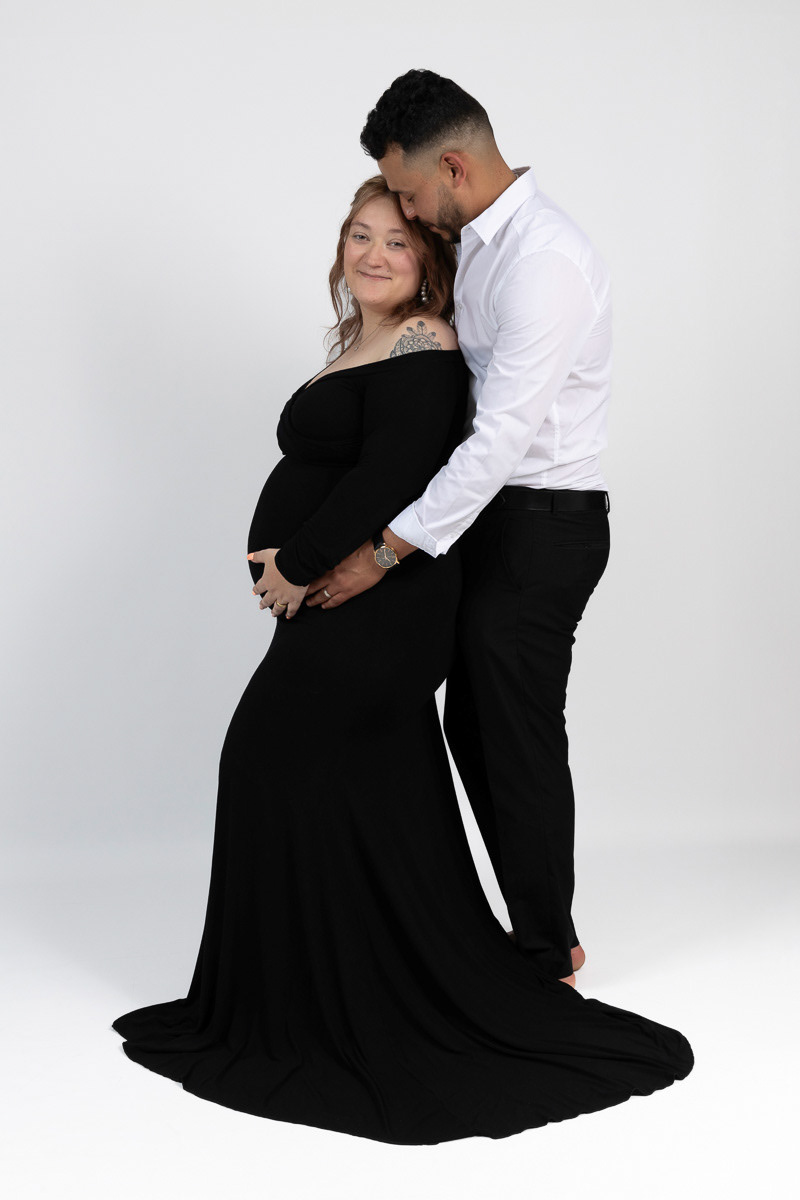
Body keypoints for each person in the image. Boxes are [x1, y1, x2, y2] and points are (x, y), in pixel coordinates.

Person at [112, 175, 692, 1145]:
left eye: (395, 239)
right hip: (345, 600)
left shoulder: (425, 343)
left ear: (428, 260)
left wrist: (301, 564)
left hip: (380, 601)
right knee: (361, 782)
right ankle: (313, 982)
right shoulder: (366, 338)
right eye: (358, 235)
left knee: (262, 755)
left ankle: (404, 979)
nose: (373, 254)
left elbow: (395, 473)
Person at [306, 70, 612, 986]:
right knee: (473, 728)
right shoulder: (477, 242)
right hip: (491, 521)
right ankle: (536, 931)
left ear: (451, 167)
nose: (404, 211)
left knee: (514, 734)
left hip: (542, 525)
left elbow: (496, 442)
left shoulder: (544, 262)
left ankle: (549, 956)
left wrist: (381, 552)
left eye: (407, 194)